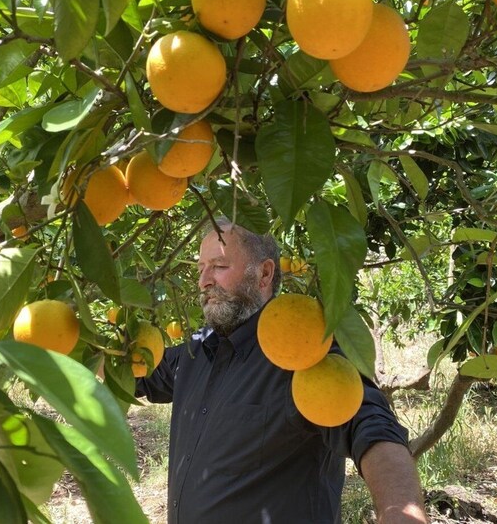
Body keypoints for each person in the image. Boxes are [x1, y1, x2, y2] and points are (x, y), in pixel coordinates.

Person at [136, 219, 428, 524]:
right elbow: (135, 372)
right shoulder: (197, 351)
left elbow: (370, 425)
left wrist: (401, 510)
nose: (204, 281)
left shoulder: (304, 354)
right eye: (200, 268)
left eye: (219, 266)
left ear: (264, 274)